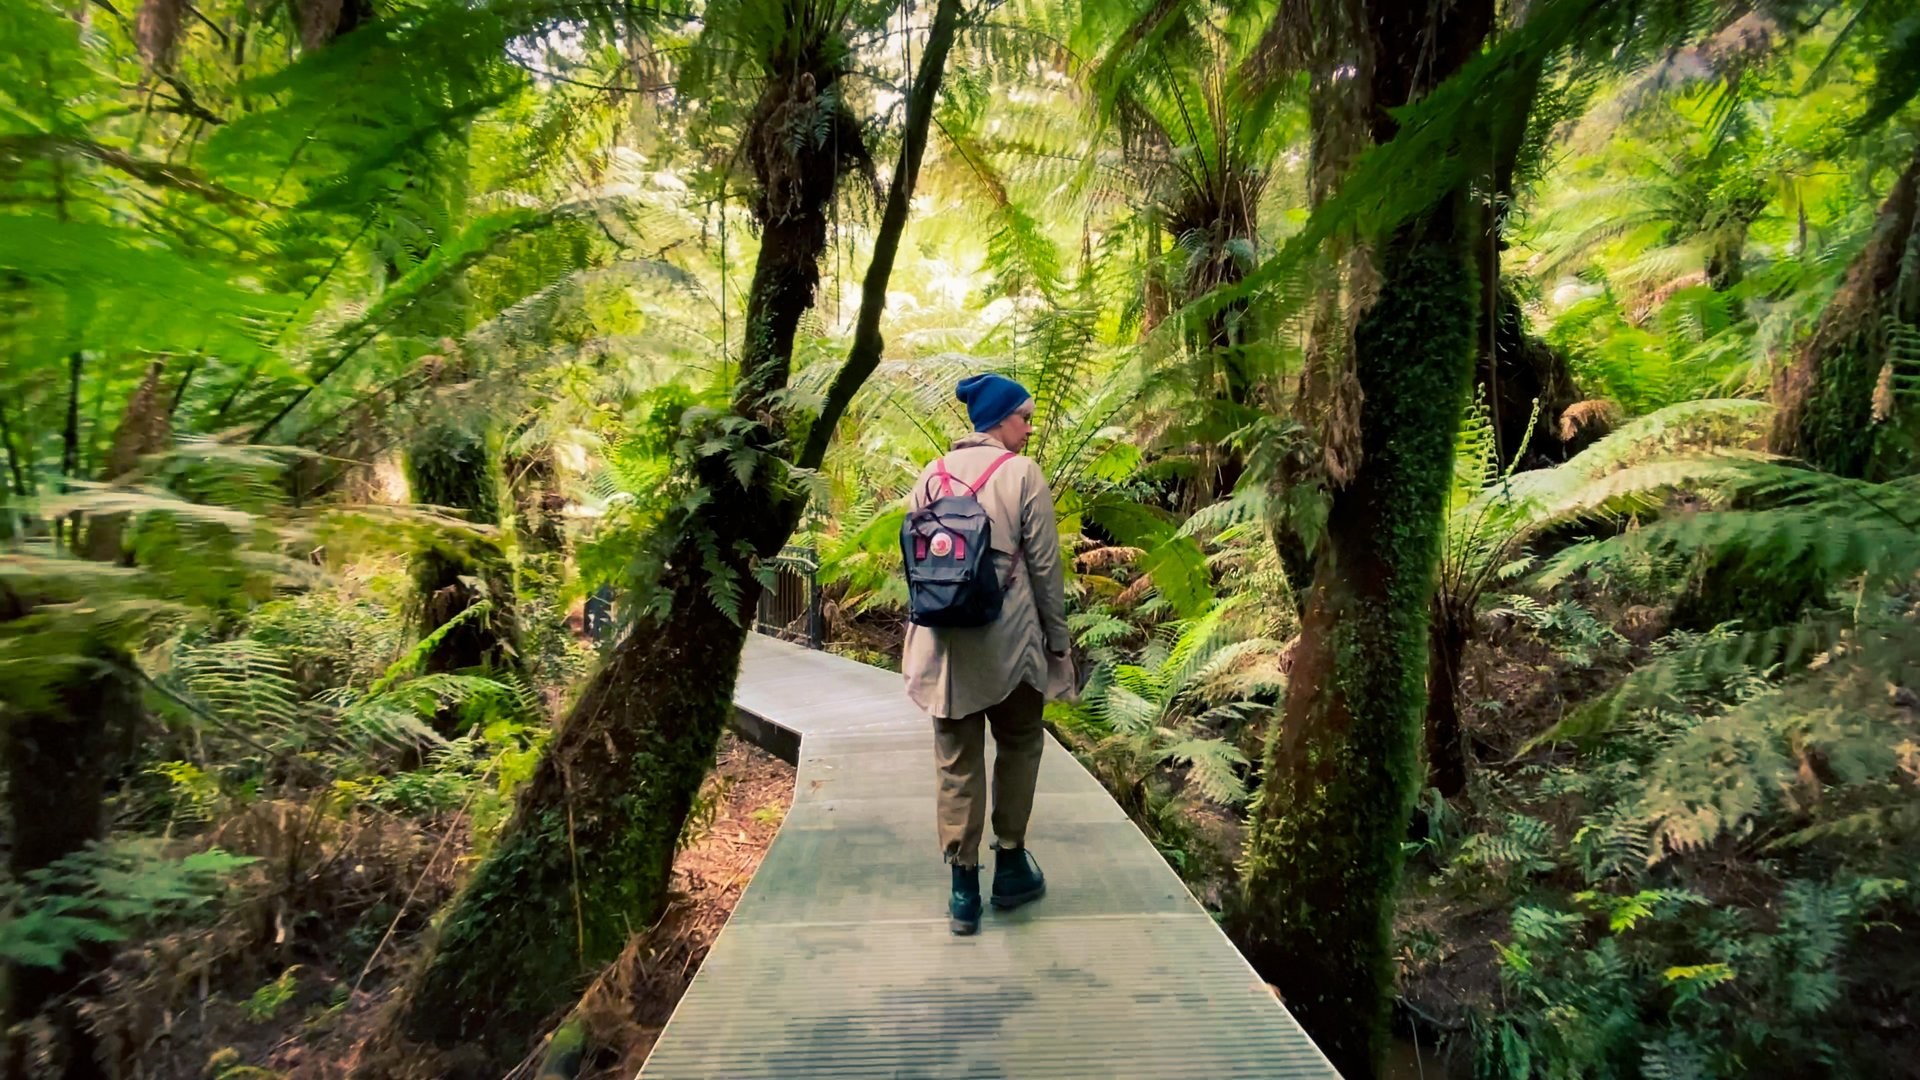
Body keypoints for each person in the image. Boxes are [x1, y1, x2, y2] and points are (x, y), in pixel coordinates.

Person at [902, 373, 1071, 935]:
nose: (1028, 428)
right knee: (1020, 742)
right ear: (1000, 419)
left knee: (956, 760)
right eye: (1025, 417)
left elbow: (918, 564)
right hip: (1012, 643)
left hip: (944, 648)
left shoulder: (931, 475)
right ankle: (1011, 865)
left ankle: (962, 890)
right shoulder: (1022, 474)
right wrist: (1057, 642)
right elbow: (1045, 569)